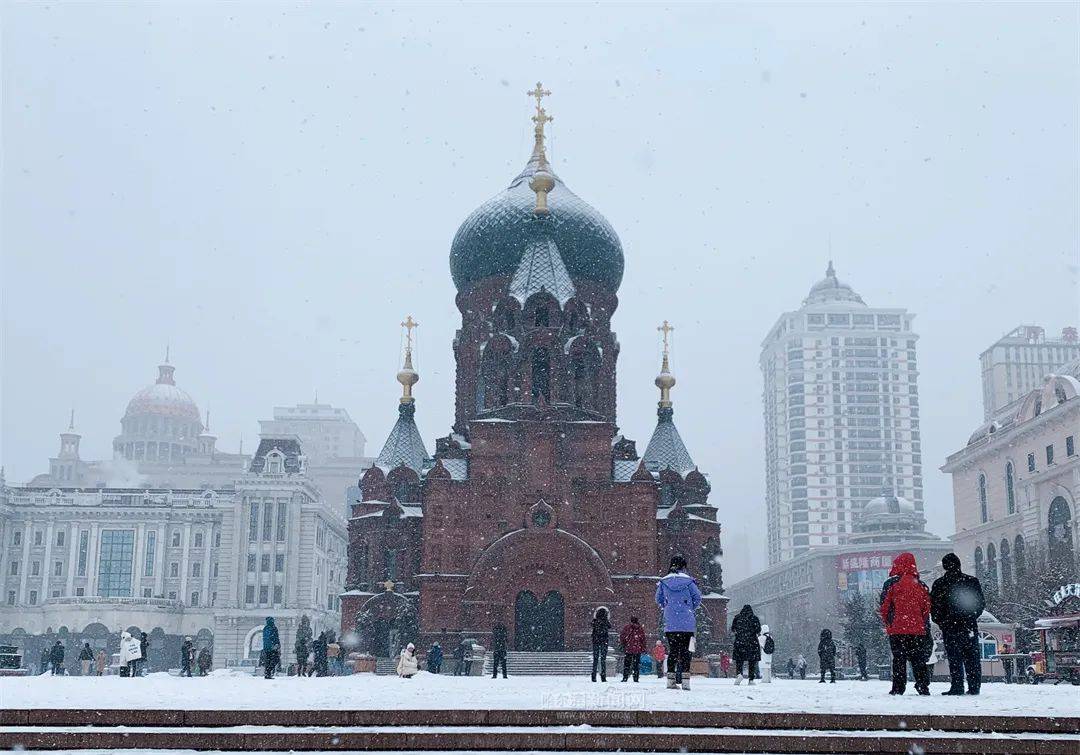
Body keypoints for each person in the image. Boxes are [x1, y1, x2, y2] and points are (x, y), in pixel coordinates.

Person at [930, 552, 985, 696]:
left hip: (950, 628)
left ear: (944, 566)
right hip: (968, 626)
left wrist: (942, 622)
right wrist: (971, 617)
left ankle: (957, 685)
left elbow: (933, 607)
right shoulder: (971, 581)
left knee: (954, 658)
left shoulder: (939, 584)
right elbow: (980, 604)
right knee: (972, 658)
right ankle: (974, 686)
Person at [879, 552, 932, 696]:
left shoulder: (891, 584)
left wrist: (889, 622)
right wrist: (920, 622)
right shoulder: (921, 585)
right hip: (917, 629)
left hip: (897, 630)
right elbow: (926, 608)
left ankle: (898, 687)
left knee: (899, 659)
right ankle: (922, 685)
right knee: (918, 659)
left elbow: (884, 606)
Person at [655, 555, 701, 691]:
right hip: (688, 624)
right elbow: (697, 598)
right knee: (687, 652)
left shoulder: (664, 582)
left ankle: (670, 681)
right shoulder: (689, 582)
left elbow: (658, 599)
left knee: (673, 652)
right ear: (683, 566)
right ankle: (686, 681)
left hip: (671, 623)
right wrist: (689, 608)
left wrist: (668, 607)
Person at [730, 604, 761, 686]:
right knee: (752, 662)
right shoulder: (754, 618)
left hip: (740, 642)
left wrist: (740, 632)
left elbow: (733, 628)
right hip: (752, 643)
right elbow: (758, 630)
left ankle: (739, 674)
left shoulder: (737, 618)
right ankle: (751, 679)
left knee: (739, 661)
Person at [619, 616, 646, 683]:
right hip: (637, 649)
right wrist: (643, 648)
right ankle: (636, 678)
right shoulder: (640, 628)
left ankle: (625, 677)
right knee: (636, 665)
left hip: (628, 648)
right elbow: (643, 639)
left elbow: (622, 636)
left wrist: (623, 644)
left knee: (627, 664)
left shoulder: (627, 627)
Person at [590, 607, 611, 682]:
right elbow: (609, 626)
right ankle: (603, 676)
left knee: (595, 659)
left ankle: (594, 676)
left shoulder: (595, 621)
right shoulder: (605, 621)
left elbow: (592, 625)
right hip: (604, 642)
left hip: (596, 641)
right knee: (603, 660)